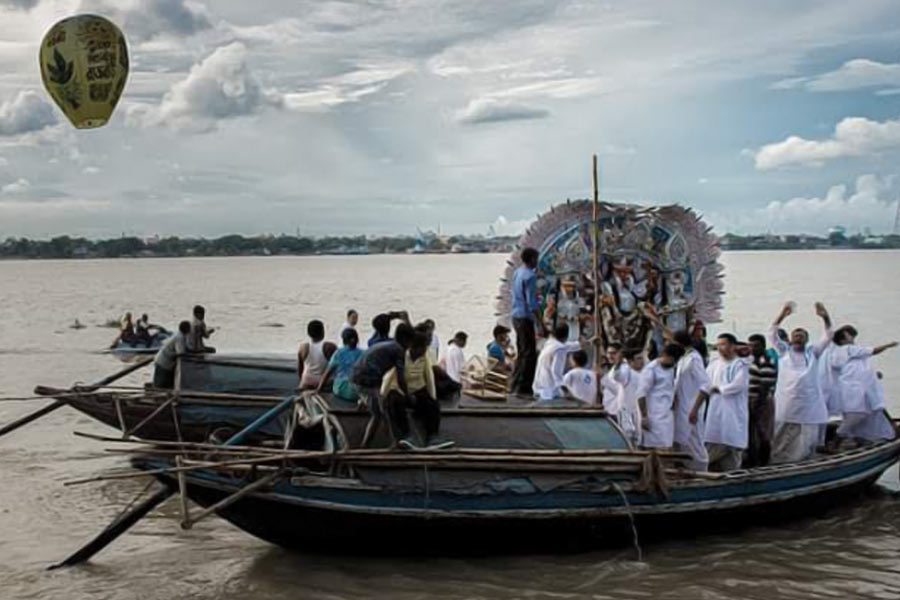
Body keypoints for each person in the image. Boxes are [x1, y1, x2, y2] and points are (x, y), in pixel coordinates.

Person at [768, 302, 832, 464]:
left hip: (809, 403)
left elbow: (828, 335)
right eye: (795, 336)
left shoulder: (813, 353)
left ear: (807, 340)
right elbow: (771, 333)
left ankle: (803, 461)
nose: (798, 338)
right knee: (782, 433)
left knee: (807, 434)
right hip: (787, 401)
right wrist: (782, 314)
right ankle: (779, 461)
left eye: (801, 336)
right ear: (790, 339)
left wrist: (825, 317)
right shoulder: (783, 351)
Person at [690, 333, 749, 472]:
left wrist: (719, 388)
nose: (720, 348)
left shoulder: (740, 365)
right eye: (718, 345)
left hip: (733, 414)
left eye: (723, 344)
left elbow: (738, 385)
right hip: (715, 413)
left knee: (732, 451)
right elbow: (704, 384)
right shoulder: (714, 364)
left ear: (733, 346)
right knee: (713, 442)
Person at [831, 325, 897, 443]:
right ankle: (835, 441)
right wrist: (888, 345)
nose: (851, 336)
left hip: (860, 388)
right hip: (854, 389)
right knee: (856, 415)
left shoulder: (849, 352)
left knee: (870, 412)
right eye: (847, 334)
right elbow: (873, 351)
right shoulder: (847, 348)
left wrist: (875, 374)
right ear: (842, 340)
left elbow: (858, 368)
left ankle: (859, 439)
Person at [353, 323, 414, 447]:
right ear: (405, 340)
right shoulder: (398, 350)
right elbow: (401, 377)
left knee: (378, 411)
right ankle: (393, 443)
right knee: (383, 411)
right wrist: (407, 395)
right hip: (366, 380)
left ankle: (365, 445)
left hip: (359, 377)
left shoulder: (390, 345)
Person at [382, 331, 446, 449]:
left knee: (433, 405)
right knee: (396, 402)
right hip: (400, 390)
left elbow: (429, 376)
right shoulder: (401, 356)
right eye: (422, 348)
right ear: (414, 347)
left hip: (418, 389)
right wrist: (381, 396)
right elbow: (388, 376)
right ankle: (407, 436)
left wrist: (432, 397)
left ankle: (433, 437)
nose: (424, 351)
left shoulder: (424, 358)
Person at [510, 247, 546, 395]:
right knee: (530, 354)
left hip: (516, 316)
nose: (537, 262)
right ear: (532, 259)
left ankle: (514, 385)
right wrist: (540, 323)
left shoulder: (518, 272)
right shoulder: (530, 276)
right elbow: (532, 304)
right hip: (525, 318)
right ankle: (524, 389)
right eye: (536, 259)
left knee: (522, 352)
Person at [673, 331, 711, 471]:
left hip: (691, 409)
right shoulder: (683, 358)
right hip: (681, 409)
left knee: (695, 444)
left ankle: (702, 475)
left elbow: (706, 385)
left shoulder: (694, 359)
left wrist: (694, 409)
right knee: (683, 444)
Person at [636, 343, 684, 450]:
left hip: (666, 417)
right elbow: (641, 394)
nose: (674, 363)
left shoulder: (671, 368)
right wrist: (644, 417)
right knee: (654, 451)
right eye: (672, 360)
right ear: (664, 355)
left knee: (666, 448)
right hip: (652, 418)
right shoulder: (651, 370)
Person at [745, 333, 778, 467]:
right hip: (751, 399)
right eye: (751, 346)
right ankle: (753, 459)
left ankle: (763, 461)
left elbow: (765, 384)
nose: (753, 349)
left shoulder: (766, 361)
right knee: (752, 432)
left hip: (761, 400)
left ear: (763, 346)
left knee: (763, 432)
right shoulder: (751, 360)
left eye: (756, 346)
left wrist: (758, 404)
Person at [533, 324, 581, 400]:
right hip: (550, 391)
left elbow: (567, 346)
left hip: (539, 387)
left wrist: (584, 343)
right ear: (566, 336)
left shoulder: (550, 343)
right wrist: (563, 387)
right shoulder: (560, 350)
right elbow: (556, 371)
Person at [316, 328, 363, 401]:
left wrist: (319, 389)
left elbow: (327, 373)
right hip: (357, 392)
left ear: (344, 340)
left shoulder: (338, 353)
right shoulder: (363, 353)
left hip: (340, 389)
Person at [614, 349, 645, 446]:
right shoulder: (627, 372)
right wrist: (618, 362)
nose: (641, 361)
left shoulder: (645, 373)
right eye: (638, 358)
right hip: (626, 411)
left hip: (640, 412)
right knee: (627, 437)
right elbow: (617, 376)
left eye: (642, 358)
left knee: (639, 440)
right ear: (631, 361)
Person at [297, 319, 338, 390]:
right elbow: (336, 366)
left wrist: (302, 380)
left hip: (307, 379)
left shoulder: (303, 347)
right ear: (322, 332)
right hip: (324, 381)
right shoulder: (329, 347)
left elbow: (300, 368)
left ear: (308, 333)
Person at [152, 321, 191, 388]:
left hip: (164, 362)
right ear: (186, 329)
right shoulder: (179, 337)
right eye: (189, 328)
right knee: (160, 385)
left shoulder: (180, 335)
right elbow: (181, 353)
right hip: (163, 363)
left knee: (163, 384)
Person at [600, 344, 624, 415]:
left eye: (613, 353)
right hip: (609, 409)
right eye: (608, 353)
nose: (610, 356)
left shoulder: (624, 369)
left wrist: (603, 377)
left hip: (617, 411)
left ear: (621, 353)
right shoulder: (613, 369)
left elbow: (619, 390)